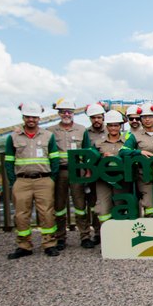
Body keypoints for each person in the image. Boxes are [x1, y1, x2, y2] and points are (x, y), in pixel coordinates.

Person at [5, 102, 60, 259]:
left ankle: (49, 244)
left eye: (34, 117)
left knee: (47, 213)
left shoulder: (48, 136)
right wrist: (13, 181)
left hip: (44, 179)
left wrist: (51, 178)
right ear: (23, 117)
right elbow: (8, 161)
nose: (31, 120)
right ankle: (24, 245)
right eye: (28, 117)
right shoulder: (13, 137)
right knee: (21, 215)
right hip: (22, 181)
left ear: (38, 119)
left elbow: (54, 159)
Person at [49, 98, 91, 250]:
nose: (66, 114)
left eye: (69, 112)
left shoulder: (82, 130)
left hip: (77, 171)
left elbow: (87, 152)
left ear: (73, 113)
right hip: (59, 172)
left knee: (80, 205)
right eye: (63, 111)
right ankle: (60, 238)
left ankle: (85, 236)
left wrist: (87, 170)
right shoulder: (50, 132)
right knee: (59, 206)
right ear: (59, 113)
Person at [118, 103, 153, 218]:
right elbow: (123, 151)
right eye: (144, 117)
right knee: (149, 203)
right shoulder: (135, 136)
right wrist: (139, 152)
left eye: (150, 117)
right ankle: (150, 228)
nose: (147, 120)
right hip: (144, 175)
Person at [91, 110, 129, 232]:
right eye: (111, 125)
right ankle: (106, 236)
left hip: (121, 180)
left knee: (120, 206)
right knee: (103, 209)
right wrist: (102, 158)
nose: (113, 128)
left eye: (116, 125)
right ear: (106, 126)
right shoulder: (98, 143)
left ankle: (120, 236)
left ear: (120, 126)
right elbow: (92, 162)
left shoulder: (127, 142)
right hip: (103, 180)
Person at [84, 102, 106, 245]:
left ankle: (109, 232)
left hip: (107, 174)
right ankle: (98, 233)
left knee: (107, 204)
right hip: (91, 174)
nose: (96, 120)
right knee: (94, 205)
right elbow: (84, 154)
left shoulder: (110, 130)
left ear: (103, 117)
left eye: (98, 117)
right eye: (93, 118)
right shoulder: (85, 133)